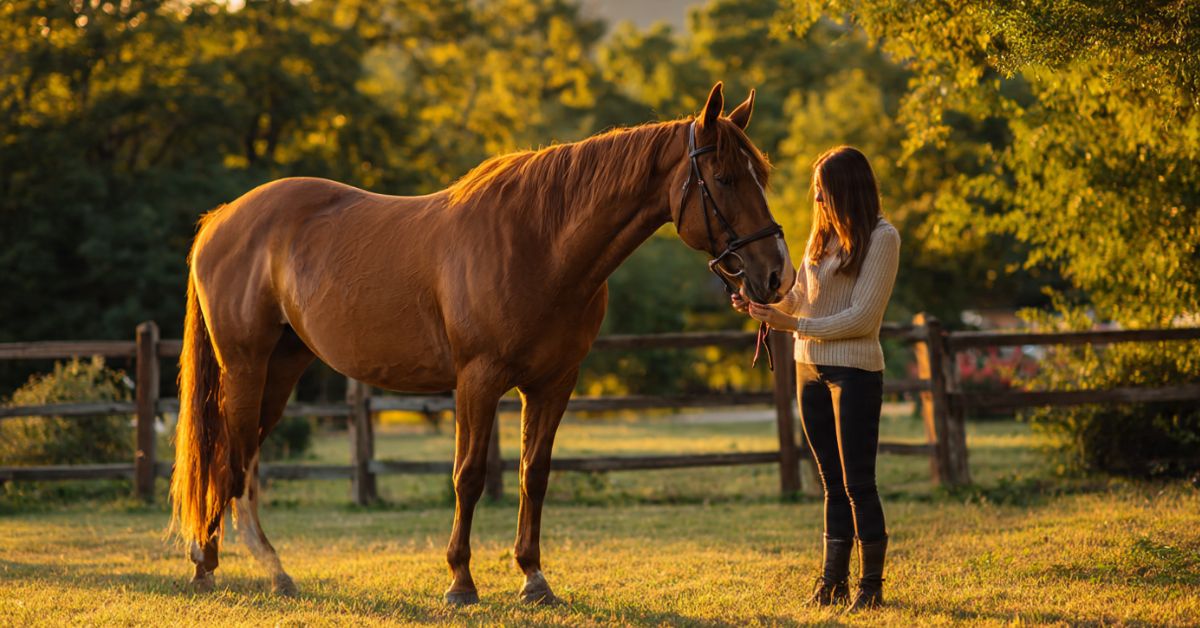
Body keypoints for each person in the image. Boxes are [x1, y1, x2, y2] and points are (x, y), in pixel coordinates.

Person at [732, 146, 900, 612]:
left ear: (848, 189)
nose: (818, 199)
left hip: (854, 371)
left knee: (858, 483)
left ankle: (870, 587)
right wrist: (764, 307)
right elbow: (800, 299)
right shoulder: (820, 237)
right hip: (808, 368)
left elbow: (863, 317)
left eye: (824, 190)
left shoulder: (882, 238)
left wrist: (793, 325)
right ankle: (831, 583)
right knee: (830, 482)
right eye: (817, 191)